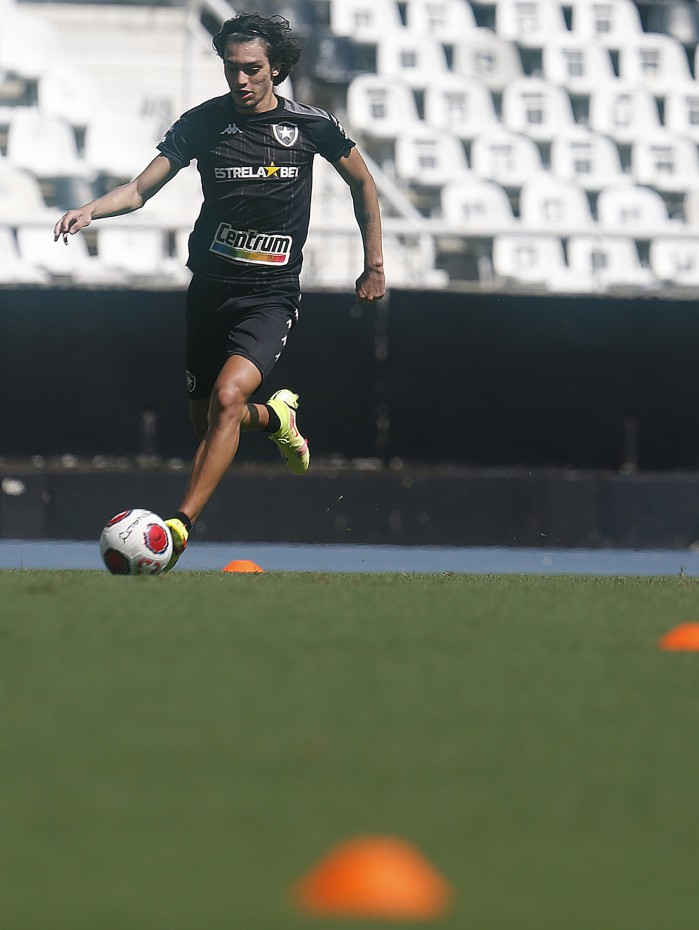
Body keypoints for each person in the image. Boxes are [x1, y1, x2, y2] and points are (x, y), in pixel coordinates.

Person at [54, 11, 386, 571]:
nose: (241, 79)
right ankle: (276, 419)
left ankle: (178, 529)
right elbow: (139, 189)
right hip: (210, 292)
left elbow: (362, 181)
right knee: (207, 422)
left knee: (227, 401)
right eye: (232, 68)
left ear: (275, 68)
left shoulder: (309, 125)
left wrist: (373, 262)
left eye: (252, 68)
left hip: (270, 296)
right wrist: (91, 209)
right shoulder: (203, 123)